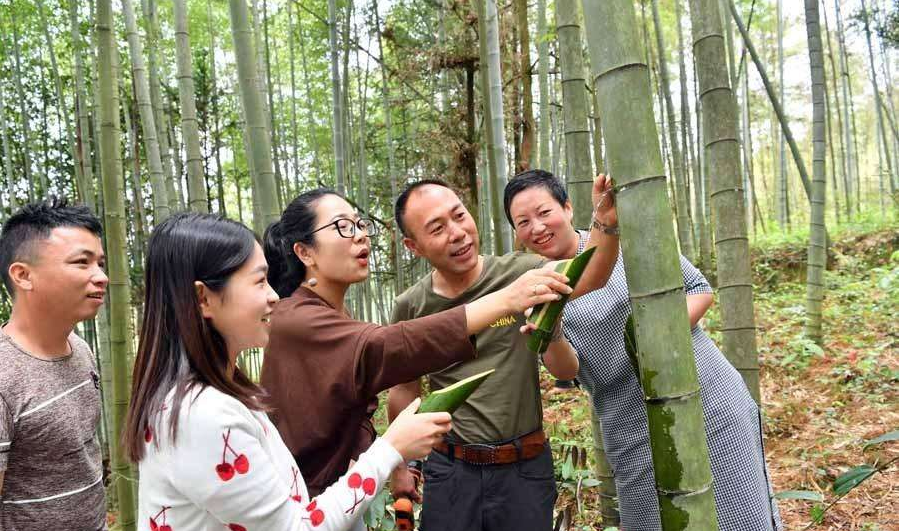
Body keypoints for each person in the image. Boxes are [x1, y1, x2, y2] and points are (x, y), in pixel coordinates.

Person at [123, 212, 454, 531]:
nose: (272, 296)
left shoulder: (215, 393)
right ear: (203, 298)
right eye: (259, 282)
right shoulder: (204, 415)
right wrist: (391, 448)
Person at [504, 169, 783, 531]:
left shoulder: (624, 242)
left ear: (568, 207)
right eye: (523, 222)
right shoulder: (534, 287)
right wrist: (551, 332)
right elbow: (566, 371)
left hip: (705, 398)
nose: (537, 228)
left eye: (544, 213)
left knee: (740, 512)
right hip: (629, 422)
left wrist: (653, 341)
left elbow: (699, 288)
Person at [260, 188, 573, 498]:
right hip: (304, 502)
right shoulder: (296, 318)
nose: (359, 235)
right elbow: (385, 346)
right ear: (305, 252)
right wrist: (507, 299)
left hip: (333, 495)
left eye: (359, 224)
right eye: (342, 226)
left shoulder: (332, 313)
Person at [387, 176, 619, 531]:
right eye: (437, 228)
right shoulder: (412, 306)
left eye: (459, 216)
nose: (458, 233)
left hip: (523, 469)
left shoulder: (522, 272)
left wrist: (605, 220)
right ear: (413, 246)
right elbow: (404, 391)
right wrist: (400, 465)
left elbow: (594, 276)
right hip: (451, 470)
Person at [0, 198, 108, 531]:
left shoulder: (80, 347)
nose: (101, 277)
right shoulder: (4, 378)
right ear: (23, 275)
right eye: (82, 262)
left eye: (101, 263)